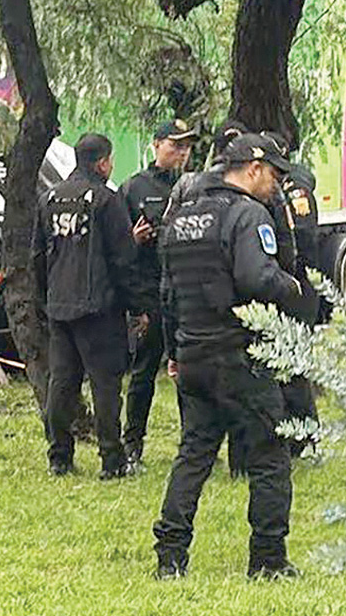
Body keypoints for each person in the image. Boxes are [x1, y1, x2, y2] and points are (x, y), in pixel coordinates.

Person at [153, 133, 307, 579]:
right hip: (239, 357)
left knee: (194, 454)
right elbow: (257, 277)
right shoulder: (247, 215)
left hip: (194, 355)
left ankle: (171, 556)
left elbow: (168, 294)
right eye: (275, 175)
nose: (277, 185)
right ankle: (268, 560)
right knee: (269, 457)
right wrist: (295, 290)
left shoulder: (180, 218)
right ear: (252, 169)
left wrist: (174, 352)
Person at [39, 133, 150, 479]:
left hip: (59, 305)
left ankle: (59, 456)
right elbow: (123, 260)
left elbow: (36, 255)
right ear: (103, 162)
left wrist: (48, 298)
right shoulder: (106, 199)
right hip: (98, 307)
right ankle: (112, 460)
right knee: (105, 385)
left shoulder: (50, 198)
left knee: (62, 382)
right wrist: (138, 306)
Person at [119, 119, 196, 466]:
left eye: (186, 146)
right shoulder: (134, 188)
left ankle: (193, 444)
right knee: (144, 373)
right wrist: (134, 242)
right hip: (150, 291)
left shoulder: (197, 186)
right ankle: (132, 444)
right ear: (155, 146)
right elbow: (117, 248)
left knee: (191, 371)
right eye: (174, 145)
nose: (181, 152)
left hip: (188, 291)